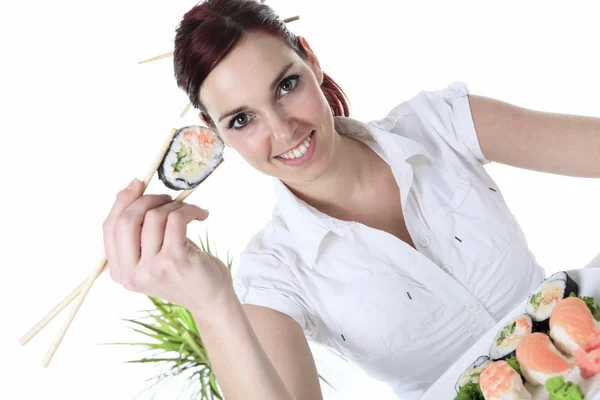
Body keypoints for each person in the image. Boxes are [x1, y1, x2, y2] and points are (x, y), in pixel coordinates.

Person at [101, 0, 600, 399]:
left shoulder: (440, 124)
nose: (281, 129)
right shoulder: (276, 270)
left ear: (311, 60)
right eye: (241, 119)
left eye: (286, 85)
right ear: (215, 136)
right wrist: (211, 304)